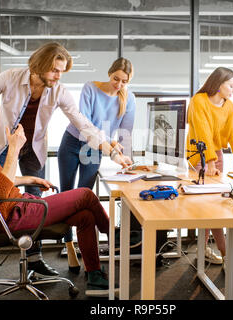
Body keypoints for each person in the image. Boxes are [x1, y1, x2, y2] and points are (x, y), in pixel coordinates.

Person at [0, 42, 131, 277]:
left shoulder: (59, 91)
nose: (59, 76)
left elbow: (82, 124)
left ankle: (34, 260)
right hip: (7, 145)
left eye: (62, 71)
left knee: (33, 199)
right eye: (55, 70)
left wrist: (112, 152)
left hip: (33, 148)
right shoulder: (11, 77)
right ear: (40, 65)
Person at [0, 96, 121, 294]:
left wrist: (31, 179)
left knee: (86, 216)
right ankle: (115, 236)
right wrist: (14, 148)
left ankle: (94, 274)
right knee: (85, 195)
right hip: (11, 216)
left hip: (17, 207)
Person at [58, 57, 136, 273]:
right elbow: (86, 124)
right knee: (66, 194)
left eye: (124, 81)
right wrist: (111, 149)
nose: (118, 84)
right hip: (74, 142)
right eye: (115, 78)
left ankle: (88, 251)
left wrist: (122, 155)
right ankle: (69, 245)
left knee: (85, 197)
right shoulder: (90, 88)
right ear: (109, 73)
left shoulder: (128, 98)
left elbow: (124, 132)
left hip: (96, 149)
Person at [186, 67, 233, 268]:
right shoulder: (199, 100)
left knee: (212, 207)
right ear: (219, 83)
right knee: (210, 208)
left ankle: (203, 250)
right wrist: (209, 163)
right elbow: (202, 131)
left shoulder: (228, 106)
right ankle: (225, 253)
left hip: (216, 156)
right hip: (198, 155)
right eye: (232, 85)